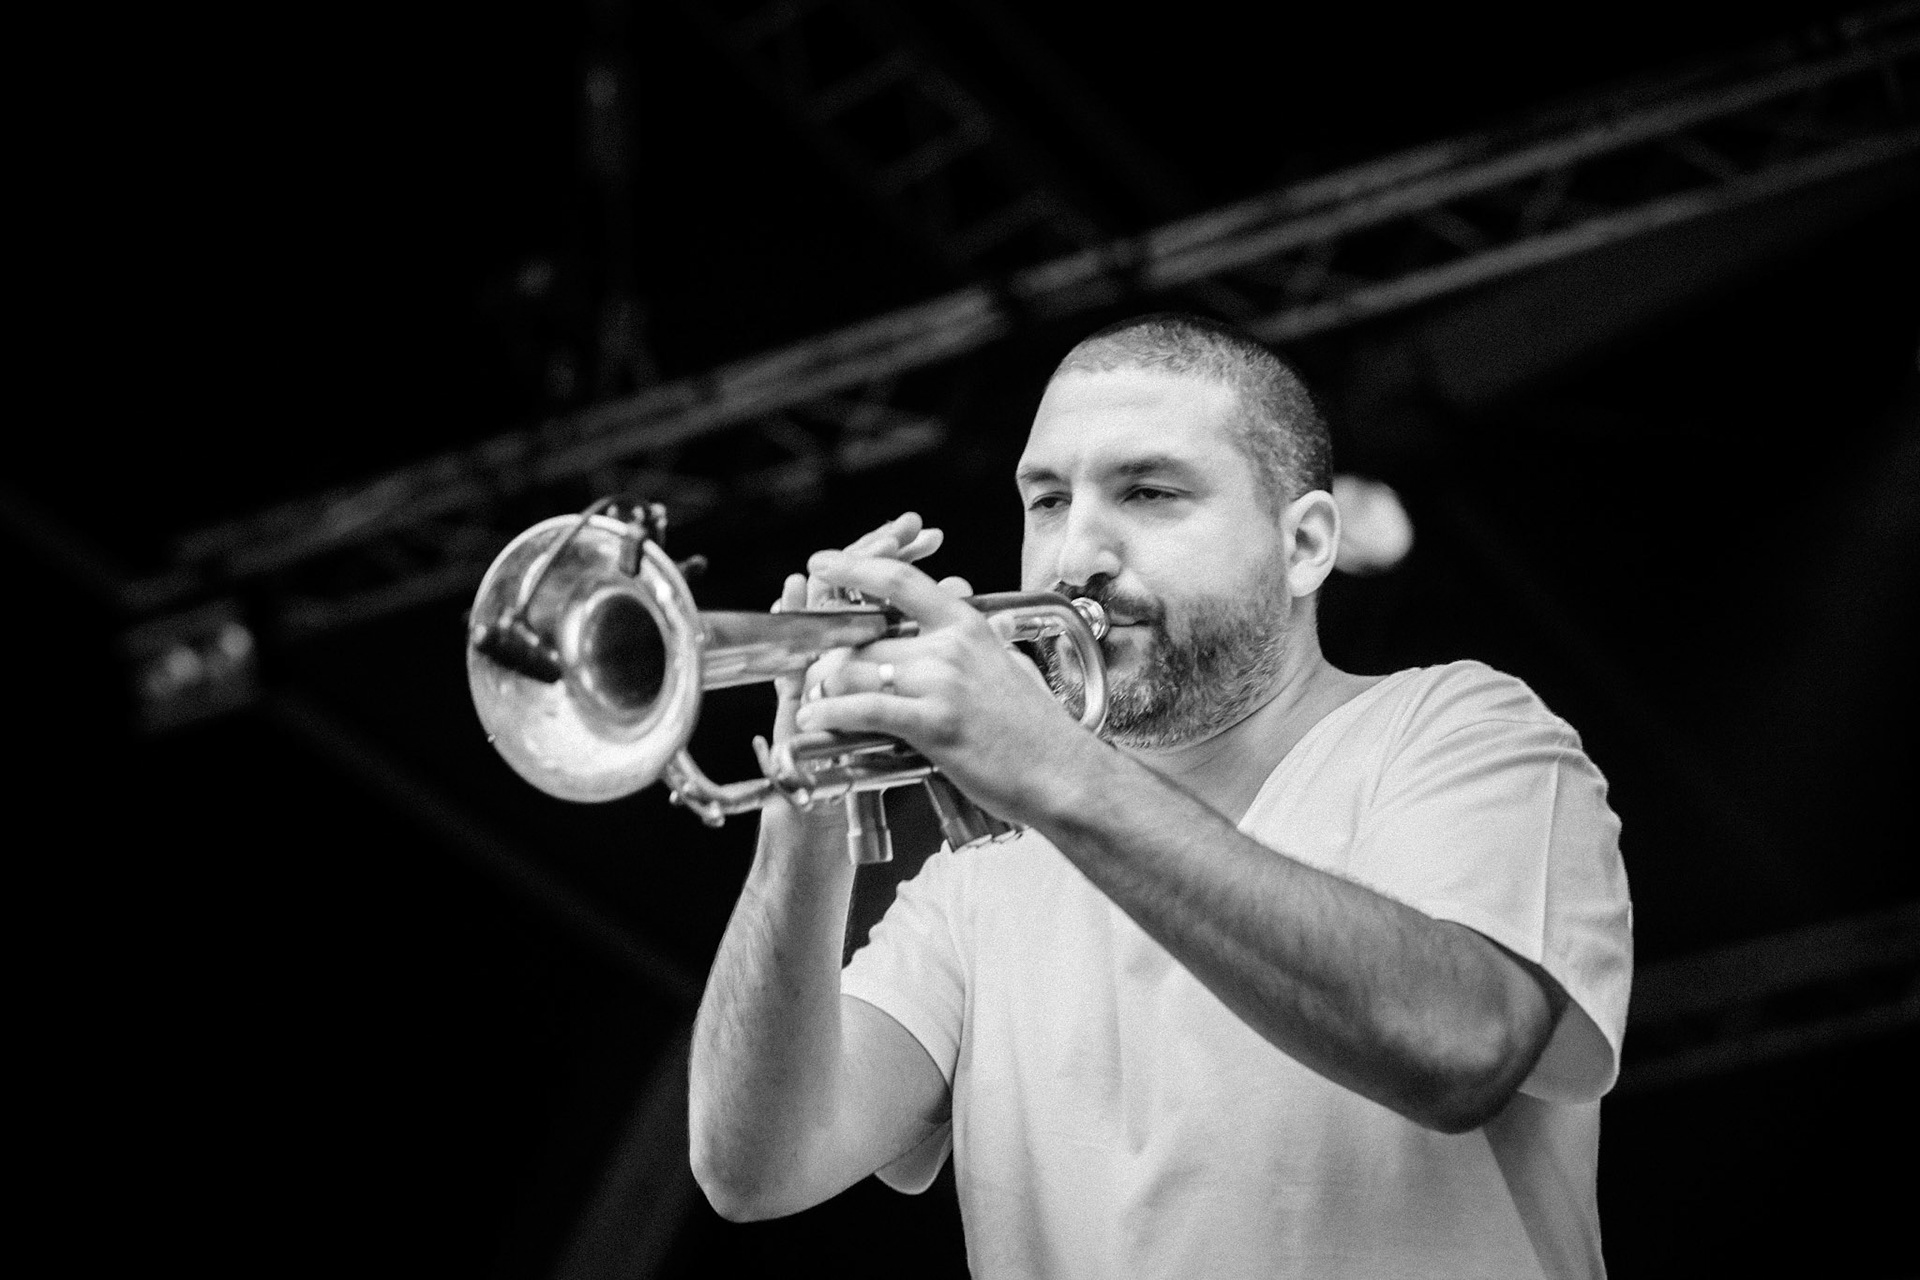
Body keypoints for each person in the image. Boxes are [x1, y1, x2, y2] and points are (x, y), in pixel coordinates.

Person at [688, 312, 1633, 1279]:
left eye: (1148, 492)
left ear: (1304, 543)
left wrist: (1052, 770)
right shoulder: (981, 885)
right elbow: (756, 1167)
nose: (1074, 556)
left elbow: (1461, 1045)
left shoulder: (1459, 728)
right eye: (1047, 501)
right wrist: (799, 810)